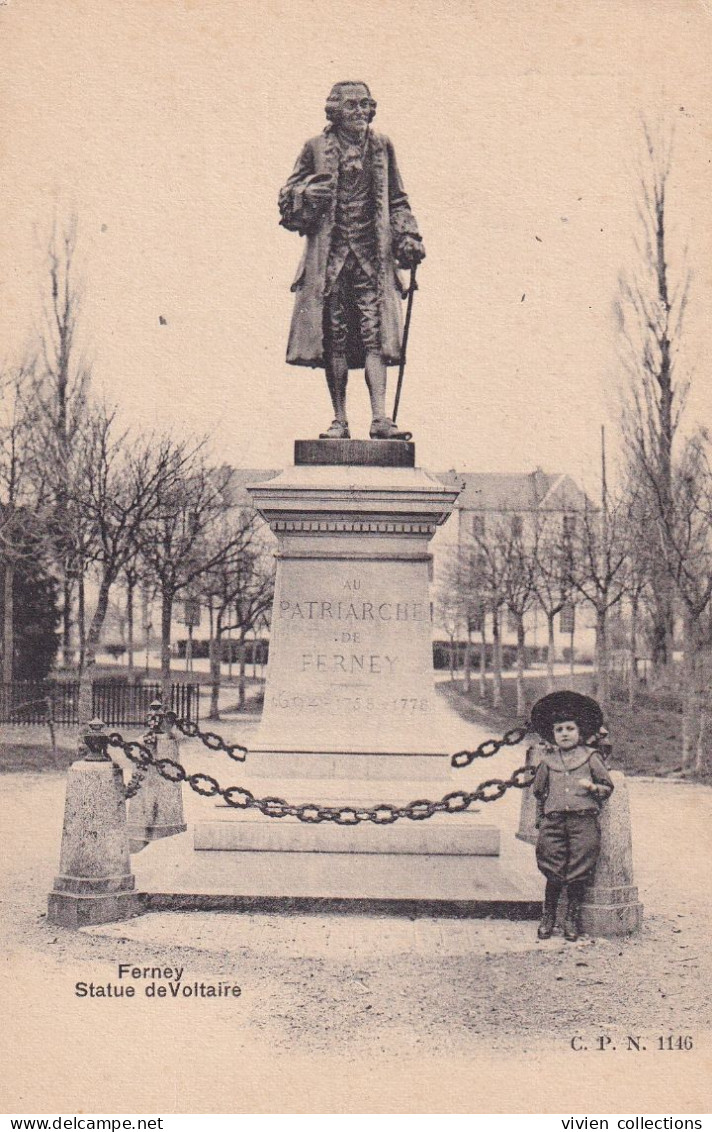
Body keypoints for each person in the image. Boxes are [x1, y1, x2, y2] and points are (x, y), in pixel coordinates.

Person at [278, 81, 425, 441]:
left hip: (372, 259)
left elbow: (398, 199)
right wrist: (307, 193)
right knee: (335, 337)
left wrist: (408, 236)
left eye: (365, 105)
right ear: (335, 111)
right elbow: (286, 198)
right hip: (329, 261)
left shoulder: (382, 146)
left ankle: (380, 419)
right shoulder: (314, 147)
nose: (360, 112)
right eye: (351, 106)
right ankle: (339, 419)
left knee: (376, 336)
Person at [530, 691, 614, 942]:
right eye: (559, 730)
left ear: (579, 731)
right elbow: (539, 792)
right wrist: (541, 819)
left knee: (579, 868)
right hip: (554, 822)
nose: (564, 733)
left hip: (583, 821)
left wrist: (592, 788)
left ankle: (571, 919)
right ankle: (548, 917)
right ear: (553, 734)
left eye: (569, 728)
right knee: (552, 867)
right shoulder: (547, 761)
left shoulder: (590, 758)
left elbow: (607, 787)